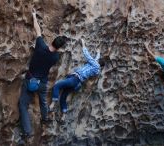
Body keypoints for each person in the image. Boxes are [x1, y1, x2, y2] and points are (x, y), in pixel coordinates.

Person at [18, 8, 67, 140]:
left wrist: (34, 15)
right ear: (59, 48)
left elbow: (37, 30)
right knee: (43, 102)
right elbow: (55, 50)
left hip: (30, 80)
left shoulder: (40, 46)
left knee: (23, 105)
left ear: (52, 41)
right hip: (42, 83)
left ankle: (27, 131)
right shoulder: (55, 57)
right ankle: (45, 118)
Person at [49, 39, 105, 120]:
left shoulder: (95, 64)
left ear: (98, 62)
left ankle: (52, 105)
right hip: (77, 83)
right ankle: (63, 115)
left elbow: (87, 55)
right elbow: (96, 60)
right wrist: (98, 53)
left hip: (74, 79)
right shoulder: (97, 70)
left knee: (57, 86)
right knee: (63, 97)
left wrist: (83, 44)